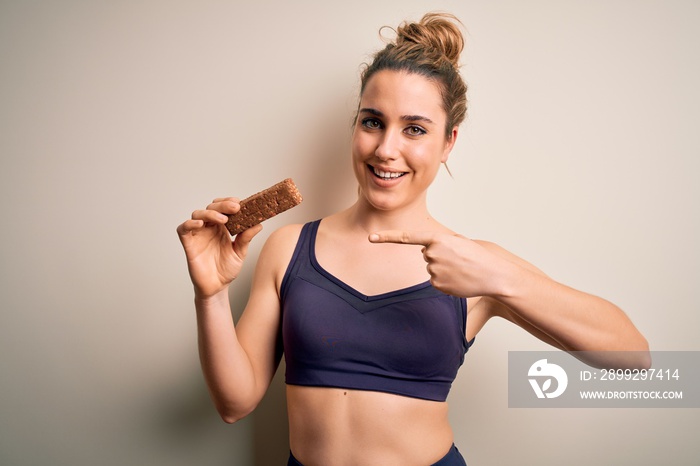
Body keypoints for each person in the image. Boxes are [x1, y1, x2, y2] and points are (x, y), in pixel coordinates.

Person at [176, 12, 649, 466]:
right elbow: (234, 403)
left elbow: (636, 358)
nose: (386, 149)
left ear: (448, 143)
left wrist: (501, 278)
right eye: (372, 121)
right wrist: (211, 294)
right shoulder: (289, 248)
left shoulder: (474, 264)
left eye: (415, 129)